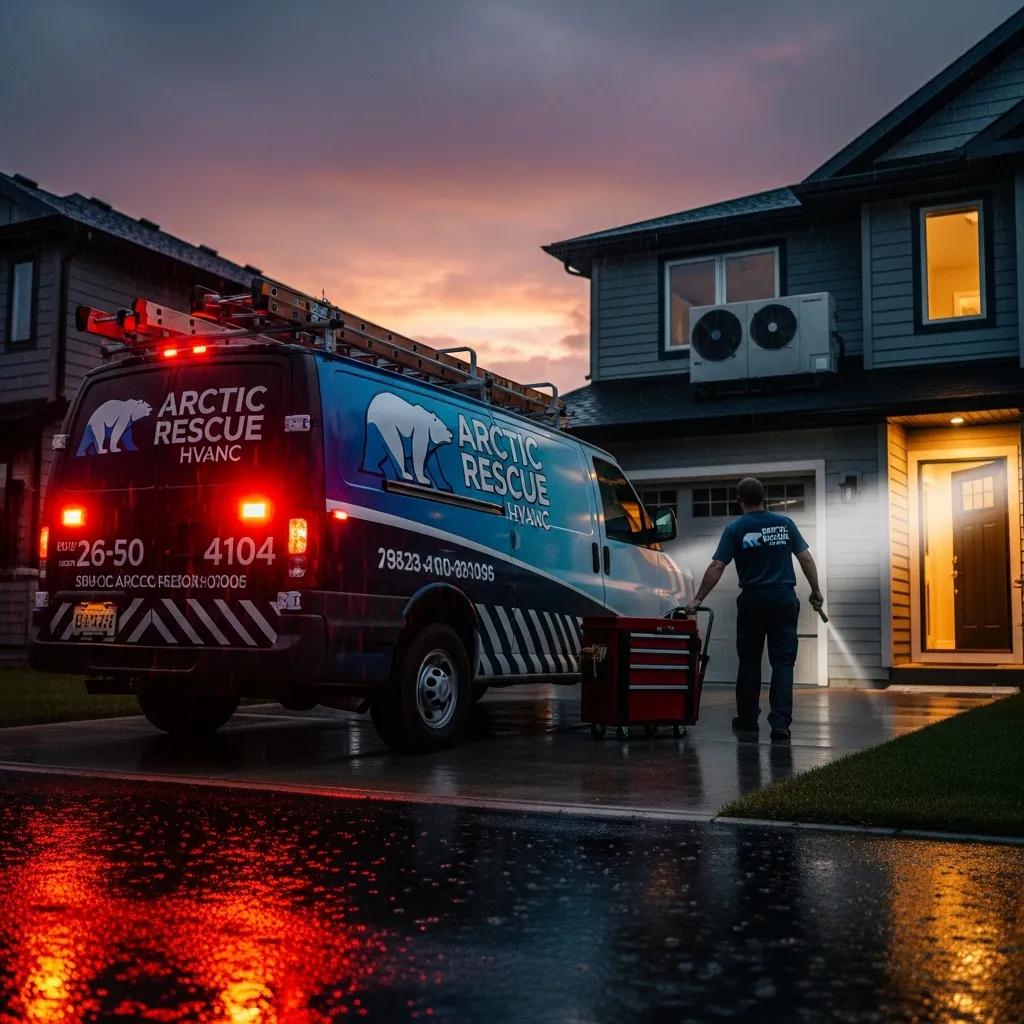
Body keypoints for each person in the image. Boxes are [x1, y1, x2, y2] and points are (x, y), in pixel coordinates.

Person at [683, 477, 823, 742]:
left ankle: (748, 720)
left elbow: (716, 566)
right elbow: (805, 557)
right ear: (764, 497)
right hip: (783, 600)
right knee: (783, 663)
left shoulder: (736, 528)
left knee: (749, 663)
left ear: (738, 499)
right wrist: (815, 590)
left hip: (753, 601)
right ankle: (780, 724)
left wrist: (697, 599)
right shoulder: (785, 524)